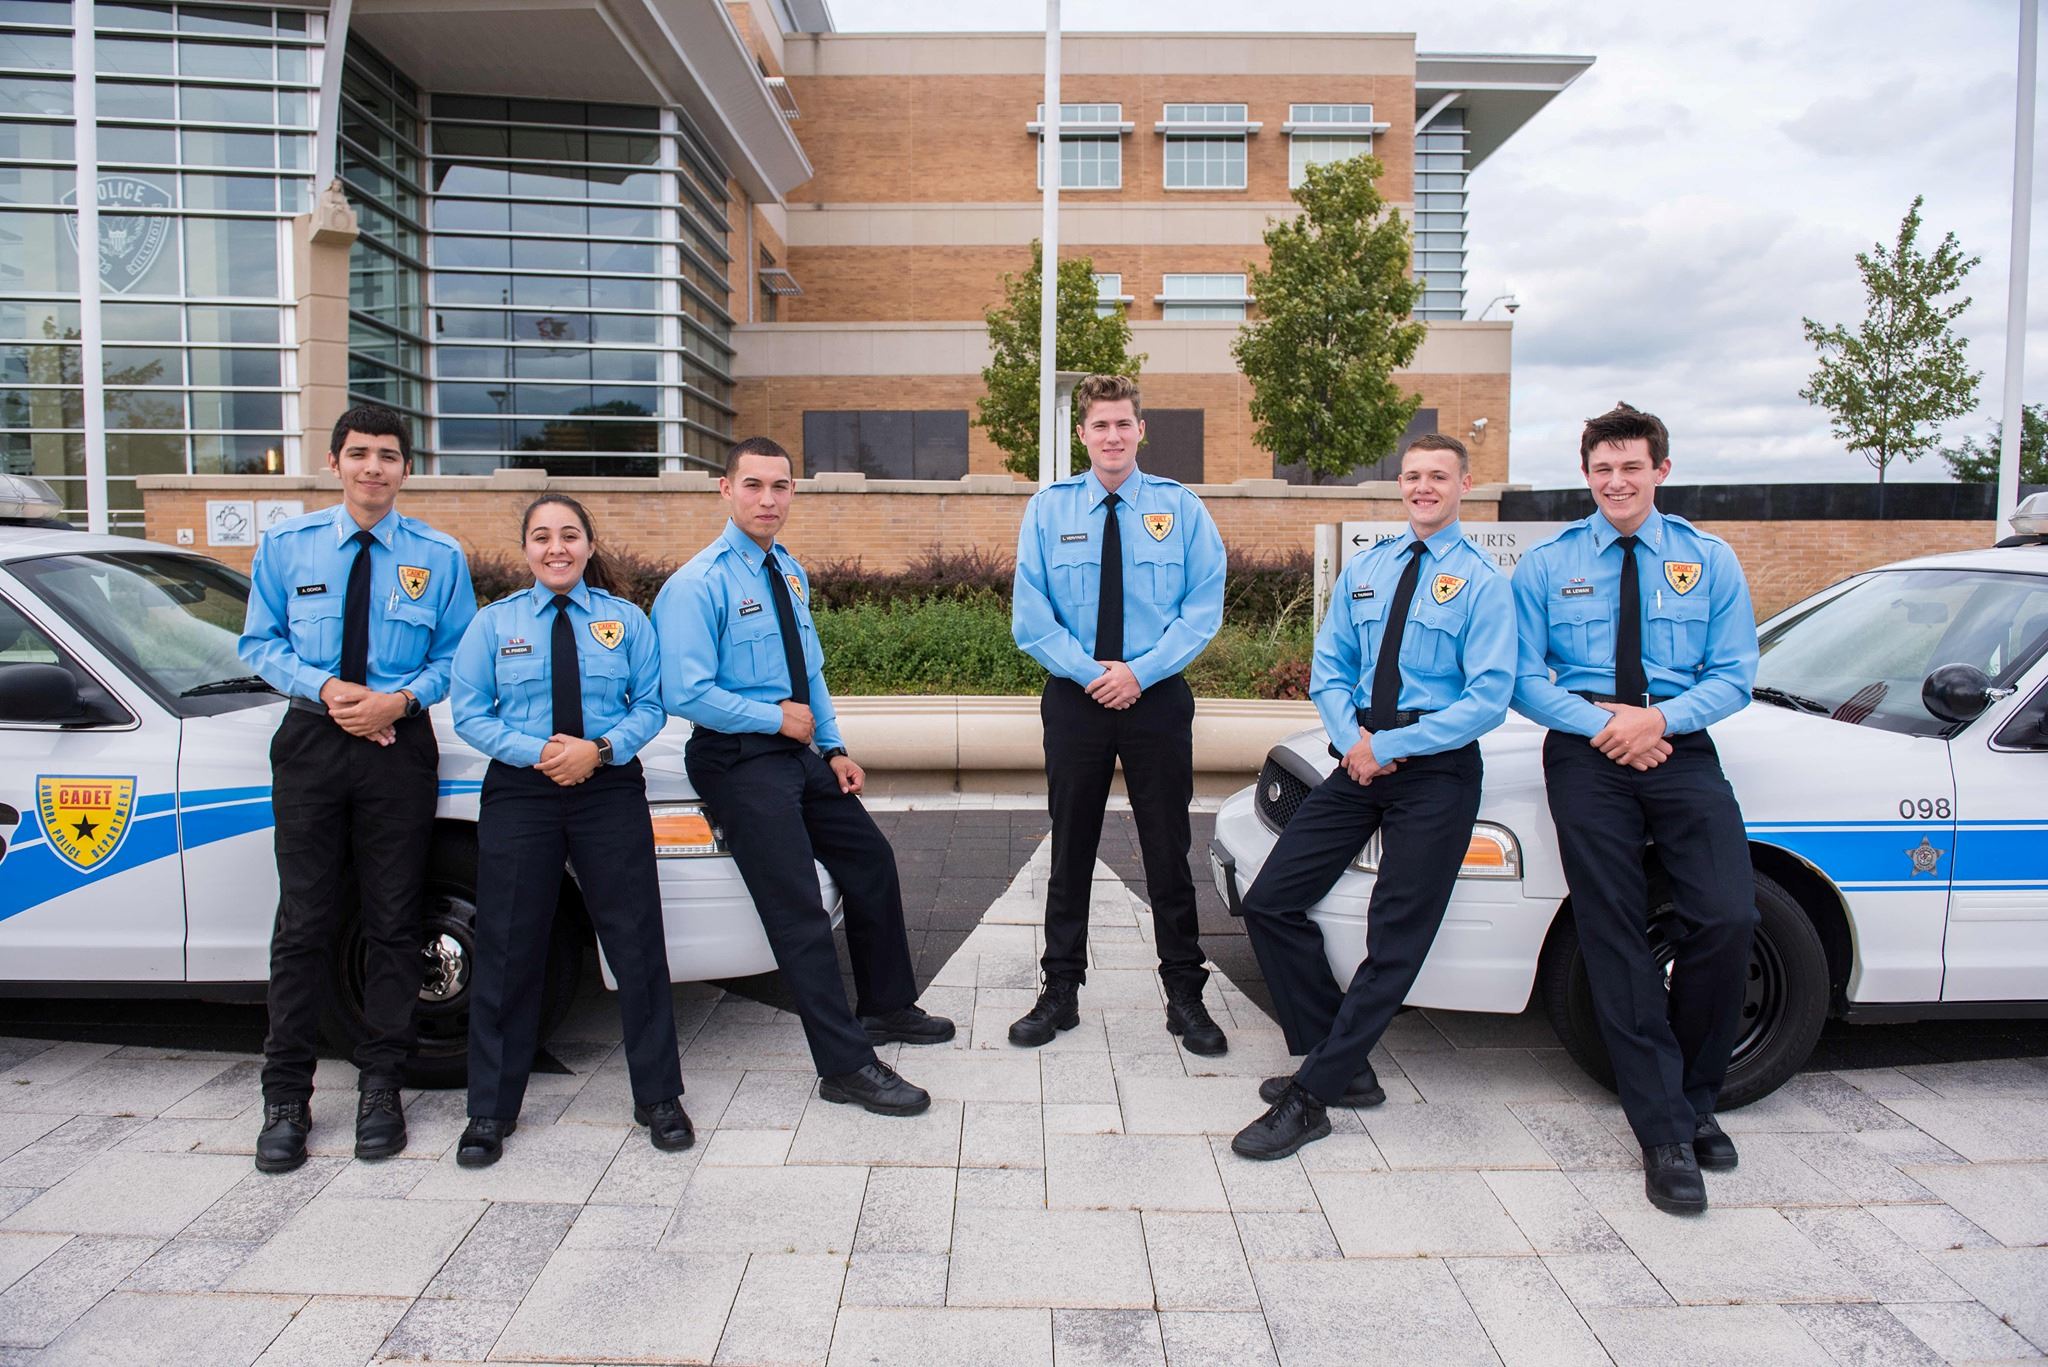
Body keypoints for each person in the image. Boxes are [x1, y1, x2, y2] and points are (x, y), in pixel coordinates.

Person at [1230, 434, 1515, 1159]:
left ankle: (1312, 1096)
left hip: (1437, 771)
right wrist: (1353, 739)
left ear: (1464, 485)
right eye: (1413, 476)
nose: (1424, 487)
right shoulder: (1369, 569)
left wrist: (1387, 746)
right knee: (1270, 899)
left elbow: (1487, 698)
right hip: (1357, 760)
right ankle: (1342, 1062)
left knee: (1395, 941)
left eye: (1438, 477)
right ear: (1401, 485)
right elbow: (1330, 668)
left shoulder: (1482, 580)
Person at [652, 437, 952, 1116]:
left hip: (797, 752)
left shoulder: (786, 570)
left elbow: (808, 669)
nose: (768, 499)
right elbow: (683, 689)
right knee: (798, 907)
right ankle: (844, 1066)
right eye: (753, 485)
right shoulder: (697, 585)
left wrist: (834, 744)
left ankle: (885, 1006)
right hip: (736, 757)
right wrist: (768, 718)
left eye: (780, 486)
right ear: (724, 490)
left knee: (870, 858)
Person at [1510, 401, 1760, 1215]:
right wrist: (1609, 726)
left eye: (1631, 466)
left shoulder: (1707, 559)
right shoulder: (1548, 564)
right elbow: (1525, 675)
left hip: (1676, 745)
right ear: (1586, 474)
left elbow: (1734, 672)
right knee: (1613, 926)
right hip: (1586, 752)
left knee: (1725, 916)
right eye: (1602, 468)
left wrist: (1659, 720)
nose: (1616, 481)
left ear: (1661, 469)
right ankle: (1666, 1133)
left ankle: (1694, 1096)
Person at [237, 404, 476, 1173]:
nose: (375, 467)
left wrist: (394, 703)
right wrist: (333, 690)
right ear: (335, 462)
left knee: (392, 918)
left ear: (406, 469)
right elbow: (259, 642)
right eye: (360, 453)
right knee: (304, 920)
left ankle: (381, 1084)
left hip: (398, 747)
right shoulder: (287, 544)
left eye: (389, 455)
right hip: (311, 739)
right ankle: (285, 1097)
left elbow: (455, 658)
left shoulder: (437, 556)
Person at [448, 495, 691, 1165]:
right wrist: (542, 754)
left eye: (569, 535)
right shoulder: (493, 625)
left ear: (588, 544)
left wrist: (601, 748)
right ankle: (490, 1108)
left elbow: (651, 703)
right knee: (506, 944)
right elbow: (470, 711)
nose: (556, 547)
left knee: (636, 939)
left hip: (607, 785)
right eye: (541, 536)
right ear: (525, 548)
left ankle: (659, 1096)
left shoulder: (626, 621)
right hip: (523, 791)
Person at [1009, 374, 1229, 1052]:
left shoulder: (1180, 508)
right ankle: (1059, 990)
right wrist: (1091, 674)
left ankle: (1185, 993)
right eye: (1099, 425)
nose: (1112, 436)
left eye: (1122, 424)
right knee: (1069, 844)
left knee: (1168, 847)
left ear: (1141, 430)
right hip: (1076, 698)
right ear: (1082, 433)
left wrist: (1139, 672)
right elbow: (1030, 614)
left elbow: (1203, 605)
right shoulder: (1048, 510)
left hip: (1155, 698)